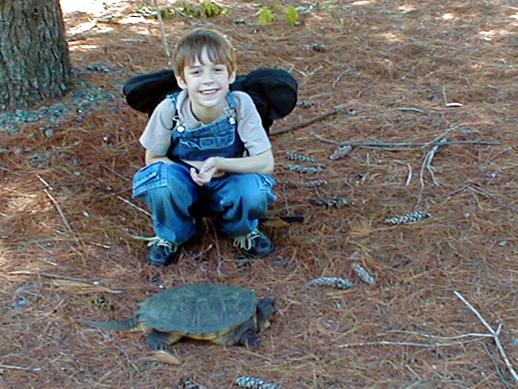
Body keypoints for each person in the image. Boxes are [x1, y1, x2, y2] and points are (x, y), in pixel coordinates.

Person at [132, 28, 277, 267]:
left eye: (217, 70)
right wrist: (191, 171)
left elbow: (265, 163)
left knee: (254, 189)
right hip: (184, 183)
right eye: (197, 72)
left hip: (226, 180)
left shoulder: (240, 105)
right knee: (160, 179)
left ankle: (240, 229)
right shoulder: (170, 110)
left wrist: (220, 164)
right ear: (182, 80)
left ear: (231, 75)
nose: (208, 79)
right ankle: (174, 234)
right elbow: (154, 158)